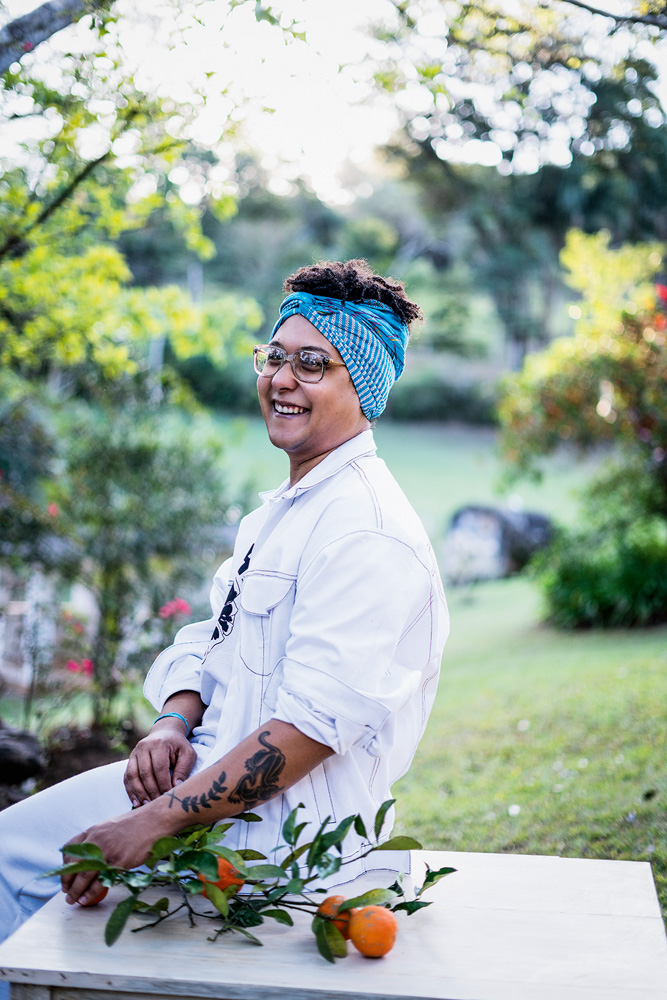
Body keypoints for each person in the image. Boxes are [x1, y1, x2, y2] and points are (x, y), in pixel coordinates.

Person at [0, 259, 448, 944]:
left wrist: (153, 822)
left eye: (311, 364)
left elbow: (312, 728)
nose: (280, 379)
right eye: (273, 357)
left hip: (281, 842)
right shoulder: (283, 512)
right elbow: (215, 637)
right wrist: (172, 723)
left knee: (9, 864)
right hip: (201, 790)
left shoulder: (365, 530)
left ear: (364, 387)